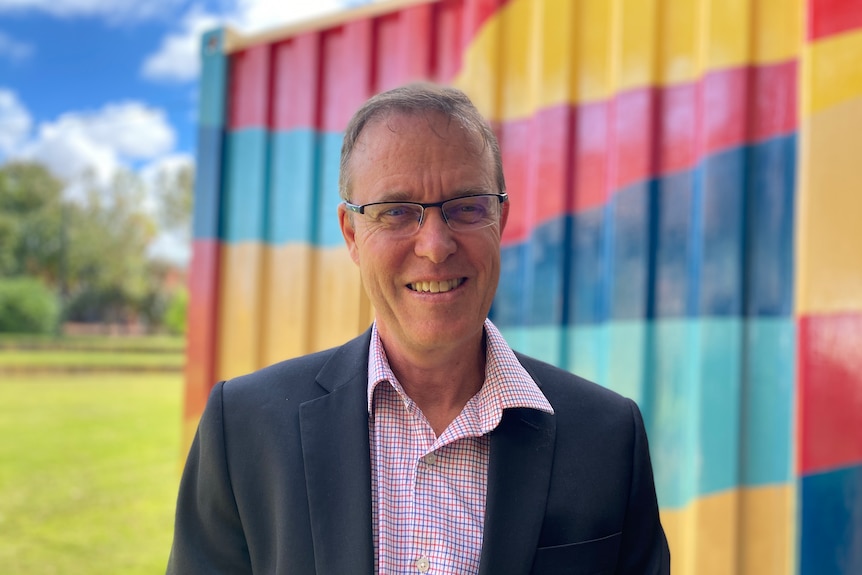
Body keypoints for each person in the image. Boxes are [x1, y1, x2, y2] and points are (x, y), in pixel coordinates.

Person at [166, 83, 670, 574]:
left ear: (501, 218)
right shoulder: (246, 428)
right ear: (352, 234)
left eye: (467, 207)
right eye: (396, 212)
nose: (435, 245)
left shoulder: (607, 438)